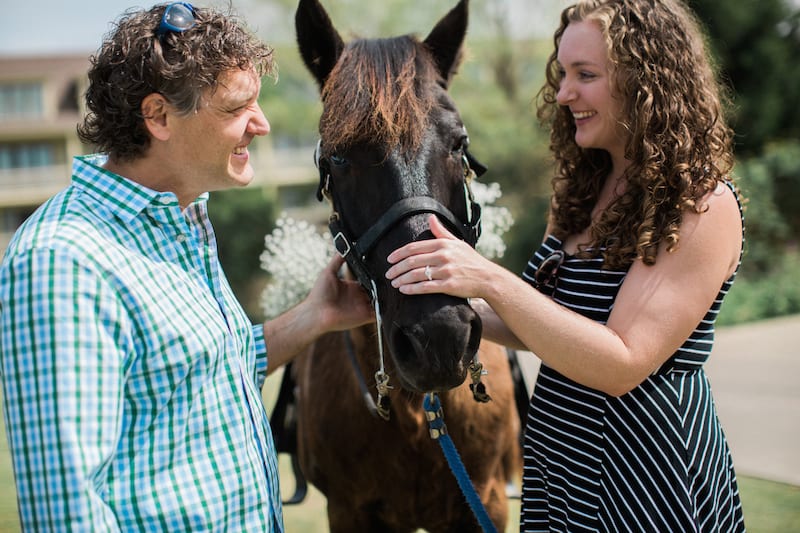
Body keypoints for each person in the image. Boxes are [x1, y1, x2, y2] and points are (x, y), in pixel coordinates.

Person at [0, 3, 372, 531]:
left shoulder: (182, 217)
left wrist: (315, 316)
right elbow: (67, 513)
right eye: (236, 108)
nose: (261, 126)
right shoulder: (64, 261)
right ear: (158, 116)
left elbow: (206, 373)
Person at [385, 0, 746, 530]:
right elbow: (542, 326)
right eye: (562, 73)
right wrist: (421, 295)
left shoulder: (702, 206)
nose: (563, 93)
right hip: (561, 455)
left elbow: (621, 363)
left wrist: (488, 276)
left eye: (586, 75)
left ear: (646, 81)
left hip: (644, 465)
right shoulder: (580, 193)